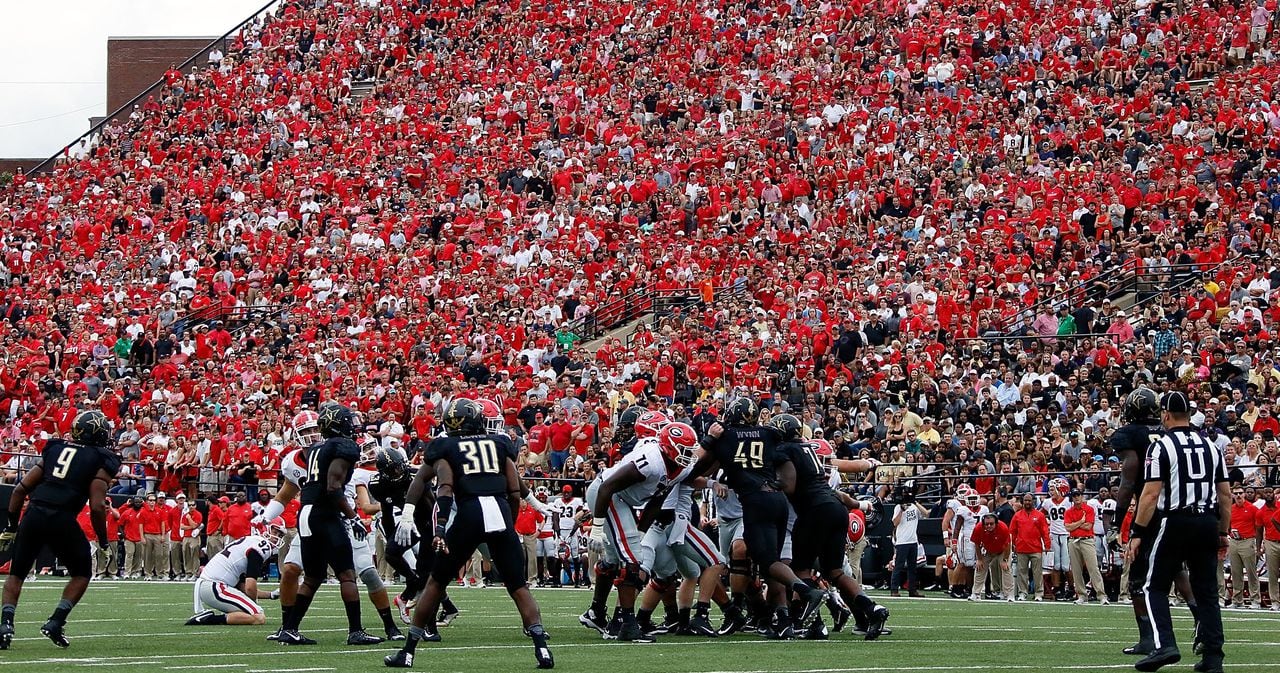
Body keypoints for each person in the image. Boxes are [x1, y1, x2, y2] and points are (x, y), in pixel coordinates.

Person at [386, 398, 553, 669]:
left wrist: (409, 513)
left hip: (469, 513)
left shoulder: (446, 446)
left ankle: (408, 652)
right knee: (518, 586)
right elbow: (513, 488)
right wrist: (513, 519)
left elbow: (428, 482)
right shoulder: (499, 444)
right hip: (498, 510)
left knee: (436, 582)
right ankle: (542, 649)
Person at [687, 398, 827, 638]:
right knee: (771, 564)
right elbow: (791, 453)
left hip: (755, 503)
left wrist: (710, 440)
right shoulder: (769, 433)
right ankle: (782, 619)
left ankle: (806, 592)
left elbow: (692, 467)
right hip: (778, 500)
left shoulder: (726, 436)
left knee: (768, 562)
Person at [1125, 391, 1230, 673]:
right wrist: (1223, 531)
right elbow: (1225, 494)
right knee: (1207, 591)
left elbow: (1150, 494)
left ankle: (1165, 645)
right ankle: (1213, 657)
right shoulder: (1211, 446)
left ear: (1165, 415)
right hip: (1207, 521)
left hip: (1176, 520)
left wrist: (1137, 532)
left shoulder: (1161, 447)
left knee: (1153, 585)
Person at [0, 411, 121, 650]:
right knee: (82, 572)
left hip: (34, 514)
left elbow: (18, 491)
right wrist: (104, 541)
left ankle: (5, 625)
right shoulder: (101, 457)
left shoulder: (55, 448)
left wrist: (11, 527)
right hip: (62, 518)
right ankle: (56, 621)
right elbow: (97, 505)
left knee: (17, 574)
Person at [772, 414, 889, 640]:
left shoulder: (785, 451)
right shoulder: (810, 452)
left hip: (813, 512)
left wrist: (770, 484)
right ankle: (872, 609)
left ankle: (806, 617)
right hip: (834, 507)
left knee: (800, 570)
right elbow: (833, 492)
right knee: (834, 572)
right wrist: (861, 504)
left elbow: (790, 485)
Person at [276, 402, 384, 646]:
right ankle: (355, 631)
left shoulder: (315, 447)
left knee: (313, 577)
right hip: (325, 513)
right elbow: (333, 487)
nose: (353, 426)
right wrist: (353, 516)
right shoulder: (344, 446)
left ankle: (289, 628)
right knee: (347, 574)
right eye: (348, 421)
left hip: (306, 512)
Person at [1111, 387, 1203, 655]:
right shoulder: (1169, 432)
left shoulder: (1130, 435)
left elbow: (1128, 480)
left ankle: (1149, 638)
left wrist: (1117, 523)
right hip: (1178, 508)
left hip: (1150, 511)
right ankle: (1199, 617)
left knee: (1138, 581)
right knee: (1175, 568)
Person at [185, 517, 285, 626]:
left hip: (209, 586)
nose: (276, 538)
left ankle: (207, 618)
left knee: (251, 613)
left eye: (280, 535)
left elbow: (242, 587)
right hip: (216, 587)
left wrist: (271, 595)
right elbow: (250, 587)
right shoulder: (260, 546)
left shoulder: (249, 541)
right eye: (275, 532)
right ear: (264, 529)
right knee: (258, 617)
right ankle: (208, 619)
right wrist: (254, 605)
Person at [1065, 489, 1108, 605]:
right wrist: (1080, 522)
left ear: (1081, 496)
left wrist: (1075, 524)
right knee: (1076, 569)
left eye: (1078, 495)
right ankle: (1081, 595)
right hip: (1073, 540)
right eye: (1074, 496)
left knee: (1093, 568)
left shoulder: (1089, 509)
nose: (1076, 498)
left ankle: (1101, 595)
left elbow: (1088, 526)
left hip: (1087, 540)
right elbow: (1068, 527)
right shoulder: (1068, 511)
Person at [1222, 486, 1261, 609]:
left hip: (1247, 541)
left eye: (1240, 493)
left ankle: (1255, 600)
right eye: (1236, 494)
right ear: (1233, 495)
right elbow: (1228, 525)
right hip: (1234, 540)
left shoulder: (1252, 509)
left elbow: (1258, 527)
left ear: (1244, 494)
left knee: (1251, 572)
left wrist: (1256, 542)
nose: (1238, 496)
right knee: (1235, 572)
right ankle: (1237, 600)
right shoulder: (1231, 509)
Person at [890, 480, 927, 598]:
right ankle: (894, 589)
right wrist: (901, 509)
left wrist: (915, 502)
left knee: (913, 567)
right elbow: (895, 523)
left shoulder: (915, 507)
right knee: (899, 566)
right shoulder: (897, 507)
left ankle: (912, 589)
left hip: (913, 541)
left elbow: (926, 514)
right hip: (902, 541)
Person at [1010, 493, 1050, 601]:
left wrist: (1047, 545)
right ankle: (1022, 592)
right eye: (1025, 500)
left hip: (1036, 548)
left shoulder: (1040, 515)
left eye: (1029, 500)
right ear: (1023, 502)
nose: (1027, 502)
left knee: (1037, 572)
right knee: (1021, 572)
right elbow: (1012, 531)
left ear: (1033, 501)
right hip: (1021, 548)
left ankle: (1039, 593)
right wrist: (1012, 544)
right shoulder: (1017, 515)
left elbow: (1045, 531)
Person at [970, 513, 1014, 602]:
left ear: (996, 523)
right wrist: (979, 559)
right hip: (987, 549)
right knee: (980, 568)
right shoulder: (978, 528)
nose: (989, 526)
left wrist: (1005, 560)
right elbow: (977, 544)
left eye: (991, 524)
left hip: (1002, 550)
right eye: (986, 524)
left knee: (1006, 569)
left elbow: (1008, 545)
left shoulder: (1003, 528)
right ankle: (975, 593)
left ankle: (1009, 594)